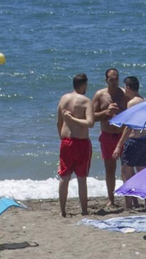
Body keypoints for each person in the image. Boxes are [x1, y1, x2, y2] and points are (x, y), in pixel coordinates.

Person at [57, 74, 96, 217]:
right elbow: (90, 123)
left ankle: (62, 211)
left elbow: (59, 123)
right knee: (81, 178)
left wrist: (61, 138)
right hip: (80, 143)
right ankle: (84, 210)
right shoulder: (86, 101)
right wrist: (73, 119)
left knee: (64, 177)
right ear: (83, 85)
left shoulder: (63, 99)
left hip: (66, 142)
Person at [92, 68, 129, 208]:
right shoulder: (100, 95)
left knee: (127, 168)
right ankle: (111, 199)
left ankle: (130, 198)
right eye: (111, 79)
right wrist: (106, 112)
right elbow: (92, 116)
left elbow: (133, 112)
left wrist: (119, 111)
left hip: (122, 135)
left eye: (116, 79)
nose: (114, 82)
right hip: (107, 136)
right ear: (106, 80)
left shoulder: (124, 94)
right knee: (109, 169)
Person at [112, 76, 146, 207]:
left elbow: (129, 127)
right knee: (142, 174)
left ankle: (129, 205)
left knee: (125, 174)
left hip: (133, 141)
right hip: (144, 140)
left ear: (128, 88)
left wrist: (119, 145)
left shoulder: (132, 103)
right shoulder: (145, 101)